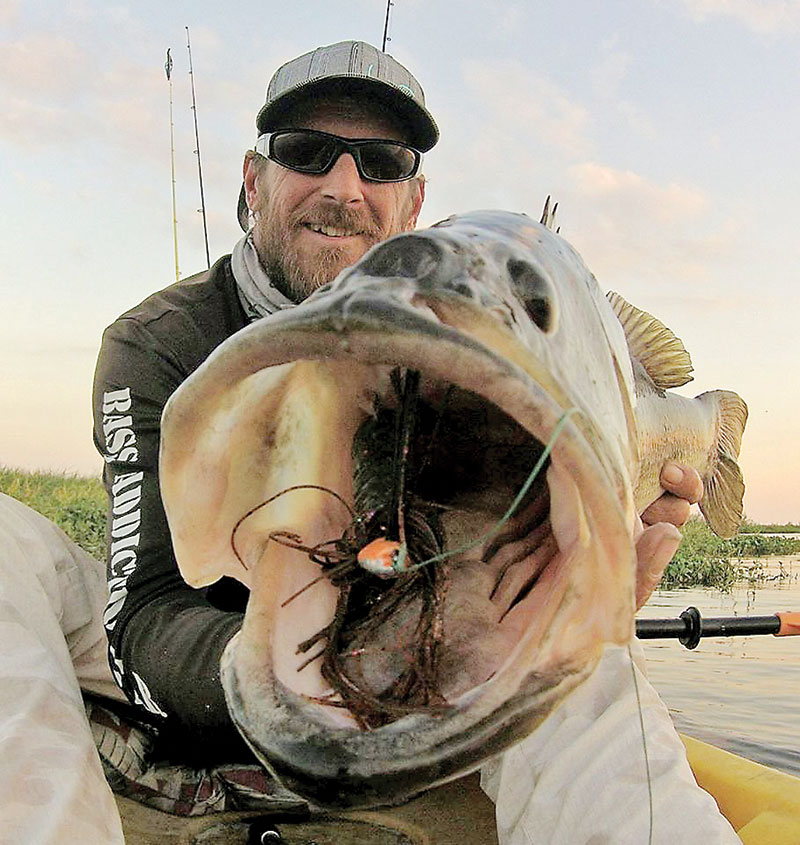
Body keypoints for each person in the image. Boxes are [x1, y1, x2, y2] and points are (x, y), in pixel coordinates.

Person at [1, 40, 737, 844]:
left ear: (413, 201)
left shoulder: (474, 348)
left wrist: (573, 586)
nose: (344, 187)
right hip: (212, 666)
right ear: (255, 181)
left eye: (381, 162)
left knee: (583, 669)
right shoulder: (157, 341)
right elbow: (141, 611)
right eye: (306, 152)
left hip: (444, 624)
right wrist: (303, 676)